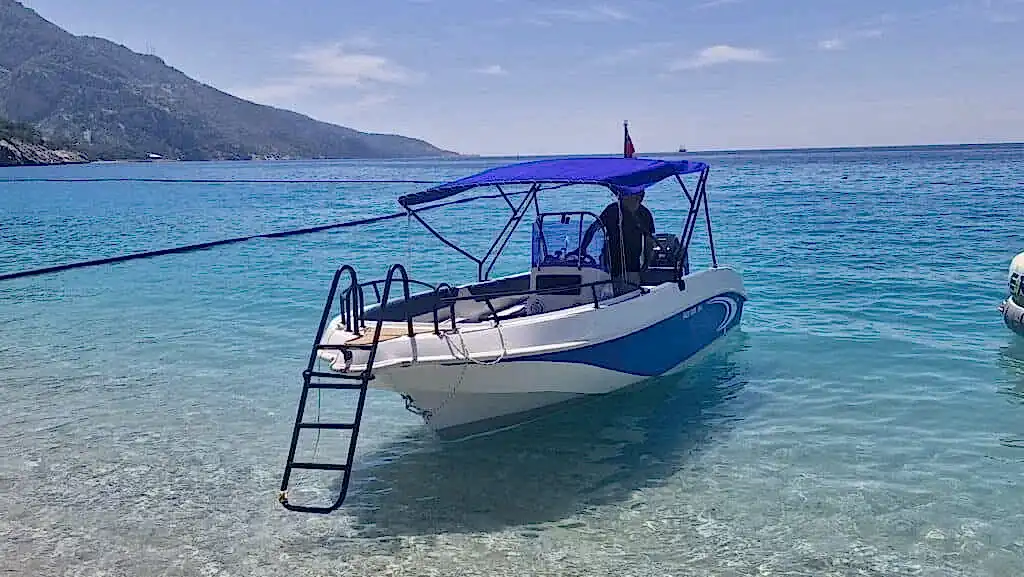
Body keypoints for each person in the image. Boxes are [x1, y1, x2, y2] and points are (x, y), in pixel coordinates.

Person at [578, 189, 656, 295]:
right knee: (617, 293)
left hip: (631, 265)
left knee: (629, 294)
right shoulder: (612, 210)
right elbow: (593, 229)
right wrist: (582, 249)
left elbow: (649, 241)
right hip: (610, 263)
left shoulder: (644, 214)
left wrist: (647, 262)